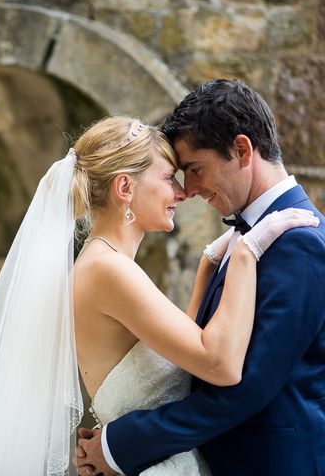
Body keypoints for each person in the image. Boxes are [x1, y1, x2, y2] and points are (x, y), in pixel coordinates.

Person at [0, 114, 317, 475]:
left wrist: (204, 273)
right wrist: (246, 254)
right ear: (125, 187)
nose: (182, 193)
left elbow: (187, 356)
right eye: (168, 178)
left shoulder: (104, 264)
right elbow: (221, 366)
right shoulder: (108, 271)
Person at [76, 80, 325, 476]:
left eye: (194, 169)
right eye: (175, 175)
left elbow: (244, 388)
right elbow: (201, 361)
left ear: (242, 150)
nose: (187, 190)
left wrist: (118, 444)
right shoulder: (244, 240)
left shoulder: (298, 242)